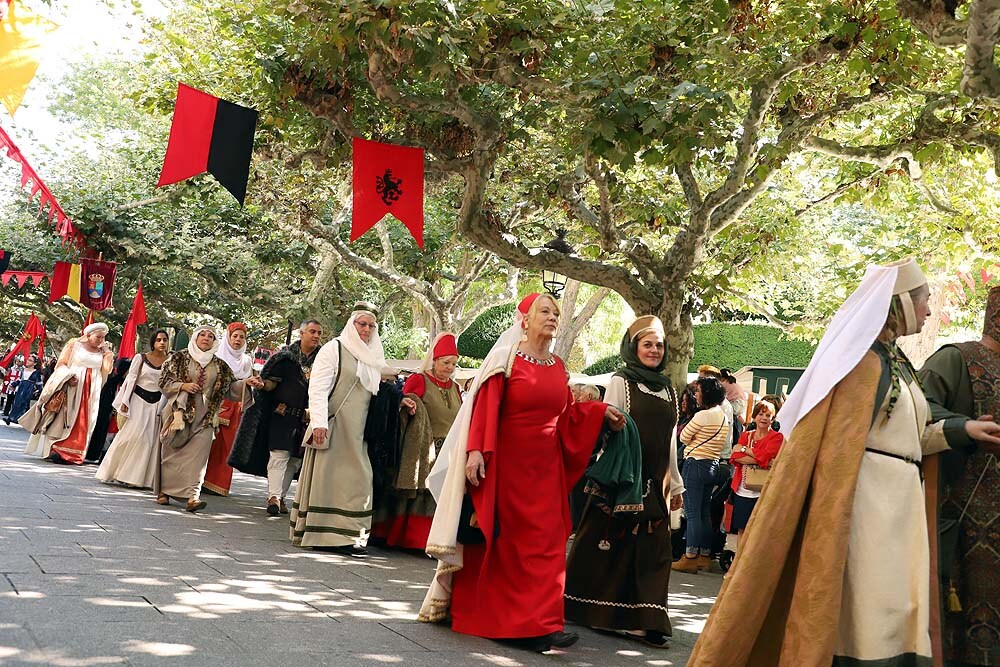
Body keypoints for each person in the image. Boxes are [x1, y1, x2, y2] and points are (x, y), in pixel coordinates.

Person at [686, 258, 998, 667]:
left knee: (895, 604)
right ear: (898, 304)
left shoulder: (899, 365)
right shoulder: (862, 364)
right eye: (923, 301)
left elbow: (911, 434)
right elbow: (837, 447)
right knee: (865, 609)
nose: (928, 310)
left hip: (899, 502)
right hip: (867, 503)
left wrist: (964, 430)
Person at [417, 293, 625, 654]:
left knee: (548, 542)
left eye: (556, 313)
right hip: (506, 467)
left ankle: (542, 624)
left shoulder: (559, 367)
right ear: (524, 320)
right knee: (507, 545)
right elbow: (485, 407)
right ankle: (503, 620)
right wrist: (476, 452)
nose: (552, 317)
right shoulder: (505, 359)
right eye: (544, 311)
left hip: (545, 471)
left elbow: (566, 418)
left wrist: (599, 411)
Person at [564, 315, 683, 649]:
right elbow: (608, 423)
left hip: (657, 482)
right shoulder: (621, 380)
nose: (655, 350)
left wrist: (676, 484)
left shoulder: (670, 388)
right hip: (623, 477)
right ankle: (584, 605)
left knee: (656, 551)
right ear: (634, 347)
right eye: (647, 344)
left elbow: (670, 439)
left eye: (659, 345)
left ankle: (650, 618)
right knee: (605, 544)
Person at [920, 285, 1000, 667]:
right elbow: (918, 411)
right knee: (959, 610)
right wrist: (965, 426)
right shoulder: (956, 358)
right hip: (964, 513)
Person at [291, 303, 402, 553]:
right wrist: (319, 423)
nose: (366, 329)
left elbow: (380, 384)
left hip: (359, 430)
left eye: (371, 325)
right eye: (362, 324)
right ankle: (327, 537)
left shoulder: (373, 355)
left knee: (361, 479)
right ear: (352, 325)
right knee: (330, 480)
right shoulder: (334, 349)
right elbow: (317, 388)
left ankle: (348, 535)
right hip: (334, 425)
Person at [155, 325, 263, 512]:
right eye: (202, 334)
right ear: (195, 337)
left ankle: (192, 497)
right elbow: (164, 381)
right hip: (179, 413)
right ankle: (164, 491)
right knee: (172, 452)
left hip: (206, 416)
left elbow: (230, 387)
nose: (206, 338)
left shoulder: (220, 365)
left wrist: (246, 383)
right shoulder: (178, 358)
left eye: (210, 335)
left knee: (199, 458)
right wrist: (183, 386)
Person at [372, 332, 462, 550]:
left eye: (453, 364)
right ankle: (406, 538)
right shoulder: (419, 380)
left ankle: (428, 540)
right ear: (434, 360)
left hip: (447, 450)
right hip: (421, 447)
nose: (450, 368)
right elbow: (401, 408)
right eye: (446, 362)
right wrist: (410, 406)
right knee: (415, 493)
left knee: (435, 496)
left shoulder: (456, 387)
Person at [230, 319, 323, 516]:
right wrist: (263, 385)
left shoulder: (324, 360)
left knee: (294, 460)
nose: (316, 336)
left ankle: (280, 496)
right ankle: (273, 496)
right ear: (302, 333)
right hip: (283, 414)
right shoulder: (285, 358)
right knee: (278, 455)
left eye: (319, 333)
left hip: (307, 418)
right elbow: (271, 383)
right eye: (312, 331)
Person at [22, 323, 115, 464]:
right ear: (88, 335)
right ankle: (57, 450)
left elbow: (107, 370)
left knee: (85, 420)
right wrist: (69, 376)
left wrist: (107, 351)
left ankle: (75, 454)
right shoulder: (74, 345)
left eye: (103, 337)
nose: (100, 340)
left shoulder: (103, 352)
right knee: (65, 418)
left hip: (91, 391)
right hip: (72, 387)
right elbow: (61, 364)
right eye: (98, 337)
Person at [96, 330, 169, 488]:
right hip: (137, 401)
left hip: (157, 404)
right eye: (158, 340)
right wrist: (124, 401)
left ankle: (137, 478)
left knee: (149, 441)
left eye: (164, 339)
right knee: (132, 436)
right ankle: (116, 472)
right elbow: (131, 379)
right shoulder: (141, 358)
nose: (162, 342)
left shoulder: (170, 361)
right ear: (153, 342)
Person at [672, 376, 729, 574]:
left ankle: (690, 557)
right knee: (704, 513)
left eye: (698, 391)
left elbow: (684, 436)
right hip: (712, 464)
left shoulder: (702, 416)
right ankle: (704, 556)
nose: (696, 395)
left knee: (693, 513)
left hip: (695, 464)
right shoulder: (722, 415)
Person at [203, 322, 253, 496]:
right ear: (228, 337)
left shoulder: (246, 361)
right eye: (235, 336)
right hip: (214, 403)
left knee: (227, 445)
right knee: (208, 443)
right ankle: (198, 479)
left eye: (242, 337)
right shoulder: (216, 356)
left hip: (236, 407)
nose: (238, 340)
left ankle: (217, 484)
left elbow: (247, 383)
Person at [727, 400, 783, 547]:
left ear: (773, 418)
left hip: (762, 491)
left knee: (759, 531)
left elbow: (767, 457)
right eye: (760, 414)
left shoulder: (777, 437)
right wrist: (761, 458)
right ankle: (739, 563)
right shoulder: (746, 435)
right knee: (742, 529)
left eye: (768, 415)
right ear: (754, 416)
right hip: (742, 490)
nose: (764, 418)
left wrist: (744, 450)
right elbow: (734, 457)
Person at [84, 356, 130, 462]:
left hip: (121, 414)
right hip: (109, 414)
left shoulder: (129, 384)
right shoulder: (112, 382)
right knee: (106, 435)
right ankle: (100, 454)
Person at [6, 354, 41, 424]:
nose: (28, 361)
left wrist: (39, 390)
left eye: (30, 360)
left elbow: (39, 383)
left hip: (29, 389)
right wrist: (13, 384)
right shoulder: (23, 370)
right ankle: (11, 418)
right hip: (21, 388)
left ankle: (21, 419)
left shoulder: (36, 372)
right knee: (17, 402)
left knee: (24, 404)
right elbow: (20, 380)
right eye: (28, 360)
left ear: (34, 363)